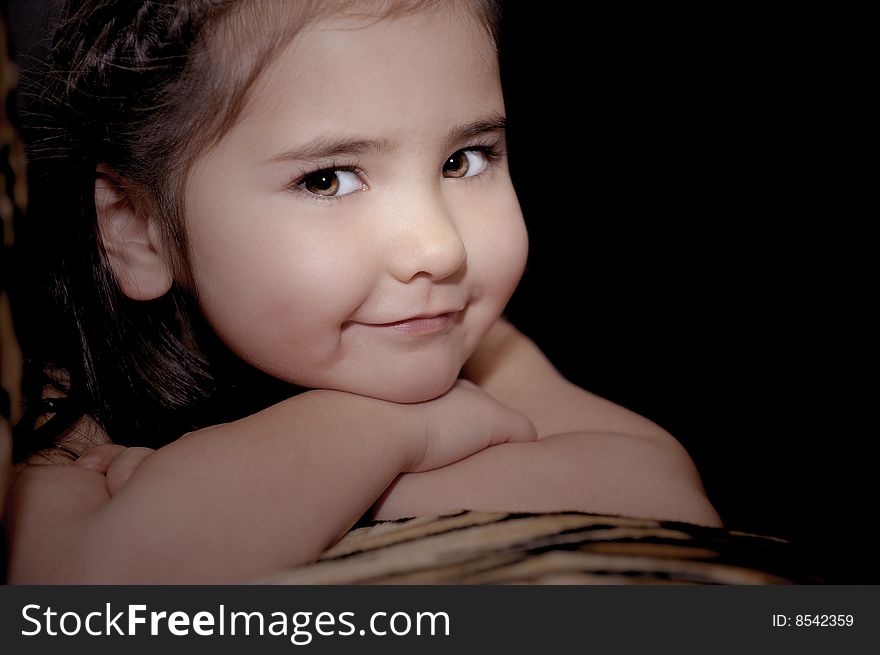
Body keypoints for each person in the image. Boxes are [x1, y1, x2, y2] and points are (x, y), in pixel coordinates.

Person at [4, 0, 720, 584]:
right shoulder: (69, 380)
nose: (440, 248)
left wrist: (377, 447)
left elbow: (664, 490)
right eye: (328, 178)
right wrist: (410, 433)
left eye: (464, 160)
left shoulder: (459, 339)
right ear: (139, 230)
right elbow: (91, 583)